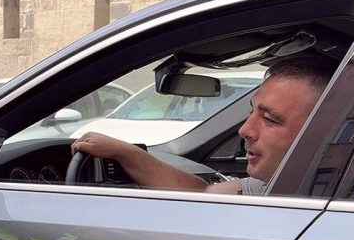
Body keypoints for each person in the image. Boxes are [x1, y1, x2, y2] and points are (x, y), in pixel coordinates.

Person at [72, 57, 336, 195]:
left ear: (324, 132)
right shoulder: (281, 184)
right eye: (251, 111)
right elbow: (203, 192)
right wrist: (124, 152)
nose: (245, 130)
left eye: (270, 119)